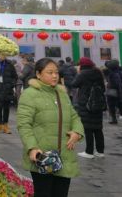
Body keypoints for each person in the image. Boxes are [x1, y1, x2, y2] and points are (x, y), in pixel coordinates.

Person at [17, 57, 84, 197]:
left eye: (56, 72)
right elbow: (24, 124)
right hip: (42, 156)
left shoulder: (62, 94)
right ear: (38, 74)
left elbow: (74, 117)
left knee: (61, 193)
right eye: (50, 72)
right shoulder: (30, 95)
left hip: (64, 155)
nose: (54, 76)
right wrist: (32, 147)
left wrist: (77, 132)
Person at [71, 57, 106, 159]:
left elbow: (74, 84)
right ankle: (100, 151)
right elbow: (102, 88)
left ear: (82, 65)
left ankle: (89, 152)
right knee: (98, 128)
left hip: (85, 104)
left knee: (88, 128)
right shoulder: (98, 72)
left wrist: (78, 73)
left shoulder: (83, 74)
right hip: (97, 104)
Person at [0, 54, 18, 134]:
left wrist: (11, 84)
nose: (3, 56)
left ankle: (5, 125)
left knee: (6, 108)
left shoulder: (10, 65)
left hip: (8, 90)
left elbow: (15, 77)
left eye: (4, 54)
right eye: (1, 54)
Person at [103, 59, 122, 124]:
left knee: (112, 105)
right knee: (118, 104)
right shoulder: (119, 71)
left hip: (113, 90)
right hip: (117, 90)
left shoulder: (111, 72)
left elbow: (117, 83)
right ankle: (114, 118)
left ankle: (114, 118)